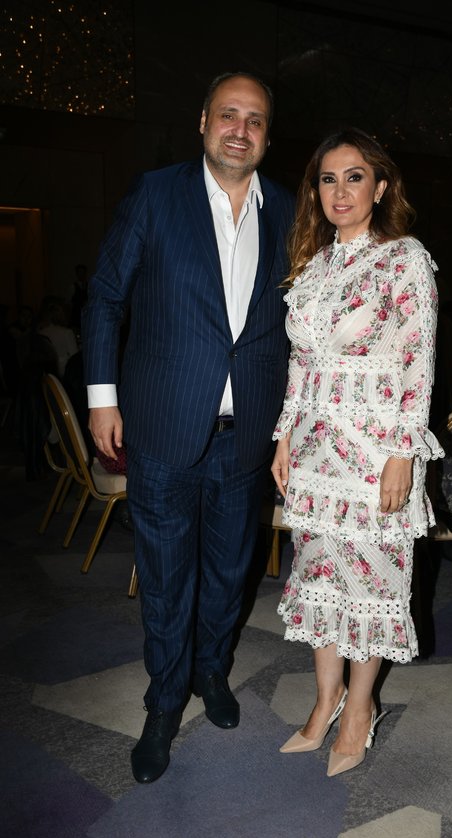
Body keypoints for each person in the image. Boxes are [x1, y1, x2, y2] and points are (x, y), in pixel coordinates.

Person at [82, 71, 294, 784]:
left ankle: (211, 672)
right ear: (204, 120)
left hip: (248, 432)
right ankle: (164, 702)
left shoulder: (289, 210)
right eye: (229, 114)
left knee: (230, 574)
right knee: (168, 578)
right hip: (163, 426)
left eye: (255, 119)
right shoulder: (155, 194)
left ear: (267, 135)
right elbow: (105, 298)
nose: (240, 129)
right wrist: (102, 398)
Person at [271, 128, 443, 777]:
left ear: (381, 187)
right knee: (319, 576)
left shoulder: (404, 258)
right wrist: (285, 435)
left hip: (375, 447)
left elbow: (417, 360)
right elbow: (301, 363)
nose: (339, 191)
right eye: (327, 179)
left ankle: (360, 708)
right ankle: (325, 701)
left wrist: (403, 451)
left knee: (370, 582)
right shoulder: (313, 265)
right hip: (316, 450)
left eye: (354, 177)